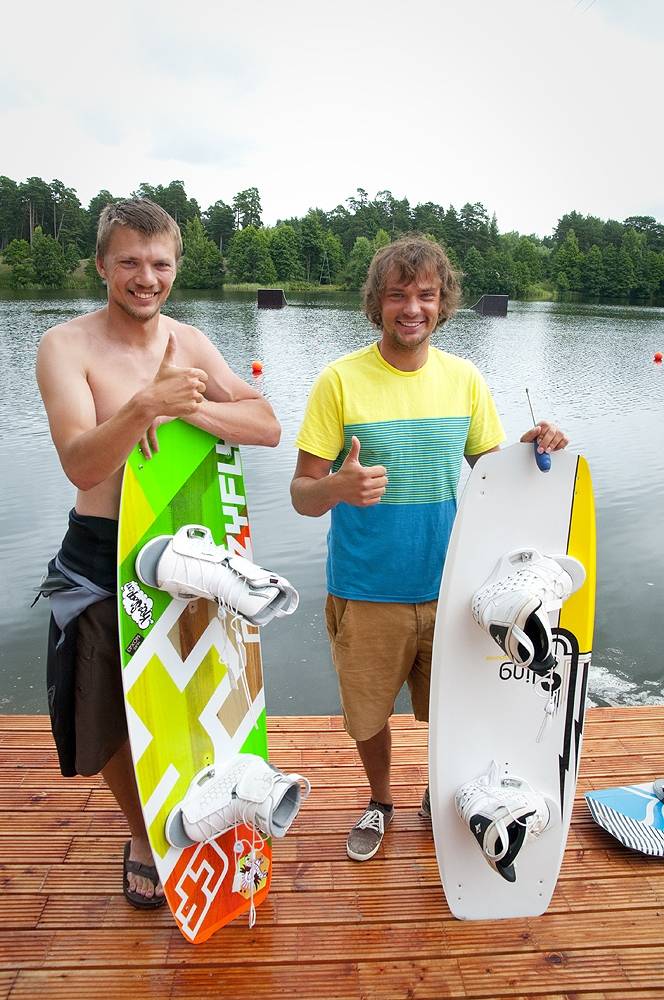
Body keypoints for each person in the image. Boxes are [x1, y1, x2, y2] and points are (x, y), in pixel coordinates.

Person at [290, 235, 567, 862]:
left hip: (454, 590)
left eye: (425, 295)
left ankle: (435, 795)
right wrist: (338, 486)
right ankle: (381, 800)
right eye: (397, 295)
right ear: (377, 303)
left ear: (443, 303)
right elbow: (302, 495)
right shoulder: (338, 382)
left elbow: (495, 481)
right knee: (367, 717)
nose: (411, 308)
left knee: (457, 712)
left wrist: (533, 447)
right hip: (366, 589)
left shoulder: (464, 380)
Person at [36, 199, 280, 907]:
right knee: (106, 710)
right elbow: (81, 463)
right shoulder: (65, 347)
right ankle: (142, 835)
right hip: (100, 550)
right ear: (102, 265)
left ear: (176, 267)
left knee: (191, 693)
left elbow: (265, 424)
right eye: (130, 263)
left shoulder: (191, 344)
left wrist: (189, 407)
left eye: (160, 264)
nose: (147, 278)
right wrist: (144, 405)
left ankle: (205, 804)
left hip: (187, 542)